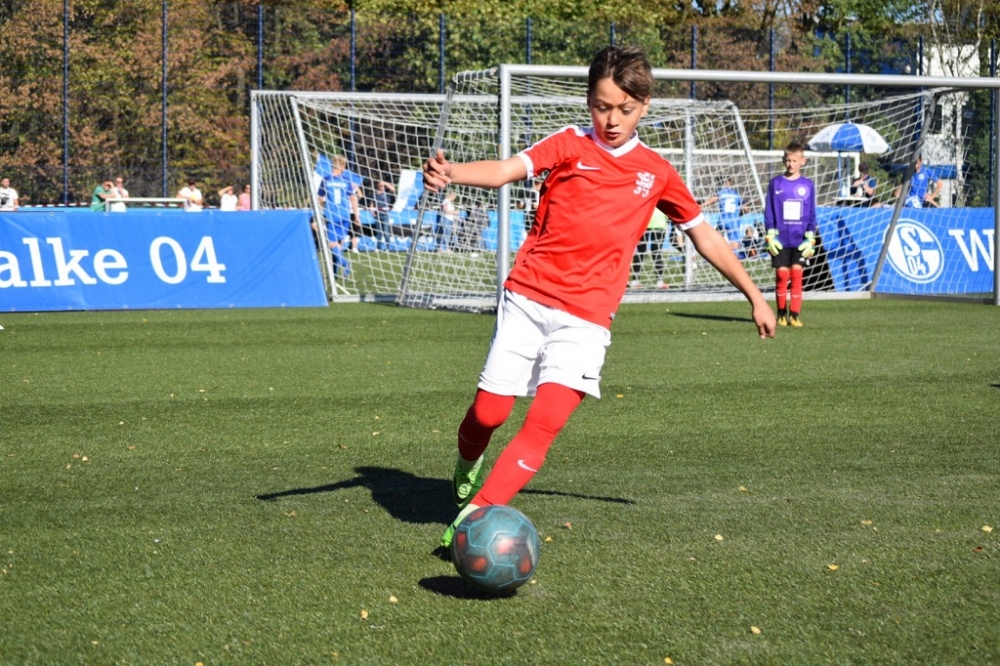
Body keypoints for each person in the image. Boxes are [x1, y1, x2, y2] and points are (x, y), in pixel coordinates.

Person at [423, 44, 776, 549]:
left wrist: (755, 296)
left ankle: (473, 520)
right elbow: (504, 171)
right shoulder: (568, 144)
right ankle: (466, 463)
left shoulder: (657, 172)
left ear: (645, 106)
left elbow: (704, 235)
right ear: (589, 101)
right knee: (488, 414)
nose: (612, 120)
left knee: (544, 422)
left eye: (625, 109)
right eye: (601, 107)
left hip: (587, 318)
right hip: (528, 298)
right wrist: (452, 172)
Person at [764, 141, 818, 327]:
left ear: (803, 161)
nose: (791, 164)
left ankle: (794, 314)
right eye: (788, 160)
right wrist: (770, 234)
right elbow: (769, 211)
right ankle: (781, 313)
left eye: (795, 161)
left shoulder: (808, 185)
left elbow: (811, 213)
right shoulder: (776, 183)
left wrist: (810, 236)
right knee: (781, 274)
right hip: (780, 239)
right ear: (783, 160)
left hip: (800, 239)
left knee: (797, 273)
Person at [316, 154, 359, 272]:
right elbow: (353, 198)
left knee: (332, 244)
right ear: (343, 165)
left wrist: (319, 212)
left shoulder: (326, 179)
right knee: (339, 244)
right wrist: (356, 215)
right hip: (345, 216)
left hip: (332, 216)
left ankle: (345, 263)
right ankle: (334, 274)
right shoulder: (347, 181)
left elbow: (320, 199)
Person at [701, 177, 746, 254]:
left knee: (716, 239)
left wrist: (702, 205)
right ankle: (734, 257)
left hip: (723, 220)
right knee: (734, 245)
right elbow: (746, 208)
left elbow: (713, 199)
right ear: (730, 182)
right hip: (733, 222)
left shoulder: (721, 192)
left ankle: (714, 254)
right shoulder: (736, 194)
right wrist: (740, 213)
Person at [629, 206, 669, 289]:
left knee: (642, 251)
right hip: (656, 222)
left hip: (648, 221)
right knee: (655, 251)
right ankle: (659, 281)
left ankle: (635, 281)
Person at [372, 180, 395, 249]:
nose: (381, 186)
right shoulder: (374, 194)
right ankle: (378, 248)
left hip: (385, 215)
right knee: (379, 233)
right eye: (380, 185)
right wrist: (373, 213)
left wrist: (385, 183)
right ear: (377, 185)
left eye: (382, 185)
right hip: (377, 215)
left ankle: (388, 248)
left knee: (386, 232)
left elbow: (393, 189)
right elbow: (371, 205)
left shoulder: (387, 193)